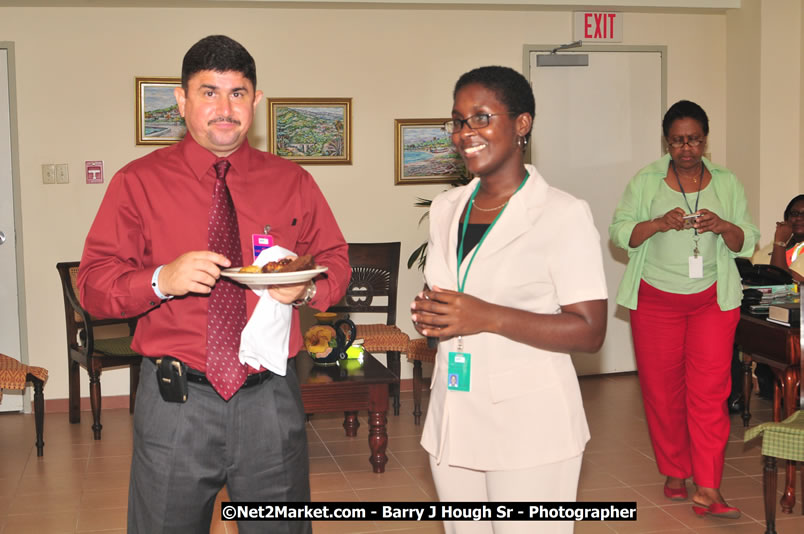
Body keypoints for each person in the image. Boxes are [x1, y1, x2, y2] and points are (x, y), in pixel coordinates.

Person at [78, 35, 350, 534]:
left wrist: (306, 290)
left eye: (237, 93)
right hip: (176, 404)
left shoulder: (293, 181)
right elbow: (94, 286)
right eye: (208, 93)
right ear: (181, 101)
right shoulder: (135, 183)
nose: (224, 109)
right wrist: (162, 279)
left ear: (256, 102)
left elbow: (335, 261)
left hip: (271, 399)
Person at [410, 65, 608, 534]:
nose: (465, 133)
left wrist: (485, 316)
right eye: (458, 120)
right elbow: (455, 290)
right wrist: (435, 315)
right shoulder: (446, 209)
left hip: (529, 424)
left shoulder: (562, 214)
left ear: (522, 124)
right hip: (454, 414)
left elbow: (590, 329)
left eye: (481, 118)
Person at [610, 100, 759, 519]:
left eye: (694, 139)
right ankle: (675, 469)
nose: (686, 148)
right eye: (678, 140)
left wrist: (723, 226)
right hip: (656, 300)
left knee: (711, 392)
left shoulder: (727, 182)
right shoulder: (646, 181)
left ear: (705, 140)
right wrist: (656, 223)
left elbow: (746, 239)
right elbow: (620, 232)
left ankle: (708, 486)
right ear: (667, 142)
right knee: (663, 391)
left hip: (713, 300)